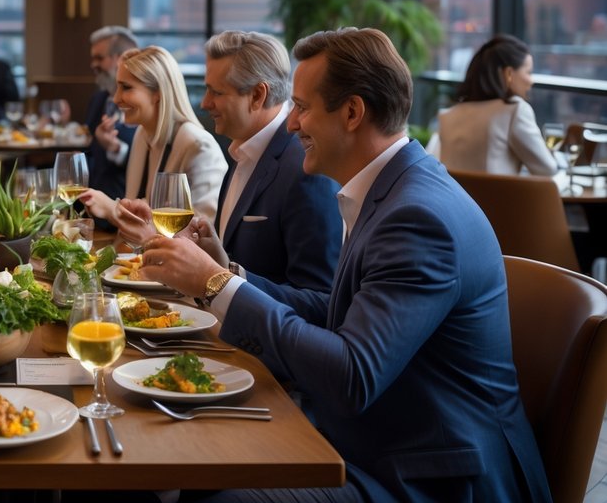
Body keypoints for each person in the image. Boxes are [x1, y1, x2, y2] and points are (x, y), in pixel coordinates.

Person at [137, 28, 550, 502]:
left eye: (302, 107)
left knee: (212, 492)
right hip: (377, 442)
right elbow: (337, 314)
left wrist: (214, 284)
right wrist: (230, 276)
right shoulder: (393, 190)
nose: (290, 124)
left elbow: (353, 375)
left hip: (428, 476)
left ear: (352, 112)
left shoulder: (418, 218)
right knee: (192, 457)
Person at [194, 30, 340, 290]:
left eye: (216, 92)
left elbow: (318, 298)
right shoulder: (241, 148)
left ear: (258, 95)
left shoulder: (306, 168)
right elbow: (229, 265)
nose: (205, 103)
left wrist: (222, 278)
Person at [80, 45, 226, 226]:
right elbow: (136, 227)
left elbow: (200, 235)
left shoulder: (199, 146)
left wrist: (113, 210)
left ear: (158, 93)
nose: (116, 98)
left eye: (126, 88)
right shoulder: (142, 135)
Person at [428, 34, 558, 177]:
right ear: (509, 74)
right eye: (528, 72)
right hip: (500, 200)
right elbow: (547, 170)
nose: (531, 81)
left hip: (454, 200)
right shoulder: (515, 110)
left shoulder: (448, 116)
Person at [83, 26, 138, 215]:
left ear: (122, 58)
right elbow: (90, 150)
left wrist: (116, 149)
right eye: (92, 58)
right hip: (90, 208)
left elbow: (150, 166)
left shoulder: (142, 105)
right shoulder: (97, 99)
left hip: (123, 210)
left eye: (99, 58)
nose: (93, 64)